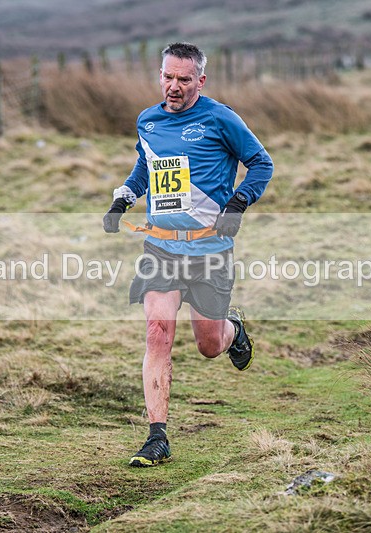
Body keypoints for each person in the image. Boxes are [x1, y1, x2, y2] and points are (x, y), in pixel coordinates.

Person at [102, 42, 273, 467]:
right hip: (161, 246)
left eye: (183, 79)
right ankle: (156, 436)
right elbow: (146, 167)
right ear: (159, 75)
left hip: (210, 250)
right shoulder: (148, 120)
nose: (174, 86)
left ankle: (233, 329)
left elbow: (262, 163)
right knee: (157, 333)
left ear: (201, 80)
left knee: (209, 346)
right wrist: (123, 198)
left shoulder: (220, 118)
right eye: (167, 77)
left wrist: (237, 204)